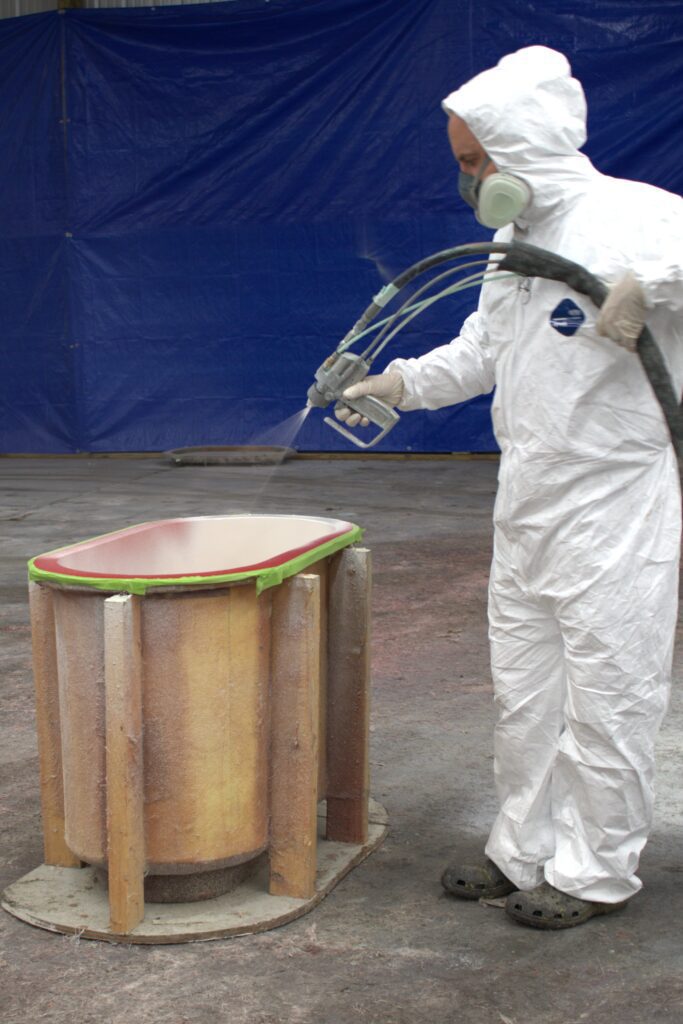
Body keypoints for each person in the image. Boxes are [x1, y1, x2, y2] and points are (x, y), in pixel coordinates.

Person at [337, 45, 683, 929]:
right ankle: (521, 851)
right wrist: (400, 384)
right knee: (524, 693)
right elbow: (483, 351)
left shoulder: (641, 218)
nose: (470, 179)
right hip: (528, 494)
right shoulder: (509, 240)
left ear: (523, 144)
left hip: (617, 498)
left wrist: (656, 287)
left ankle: (593, 871)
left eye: (475, 160)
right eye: (463, 162)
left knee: (608, 693)